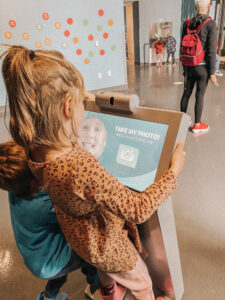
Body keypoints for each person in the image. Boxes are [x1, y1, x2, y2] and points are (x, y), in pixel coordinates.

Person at [1, 45, 186, 300]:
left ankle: (108, 292)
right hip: (111, 246)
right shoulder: (79, 165)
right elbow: (138, 208)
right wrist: (172, 173)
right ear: (68, 107)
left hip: (85, 241)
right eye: (79, 102)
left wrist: (78, 96)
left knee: (105, 273)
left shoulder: (34, 151)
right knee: (142, 282)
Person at [0, 140, 100, 300]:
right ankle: (95, 281)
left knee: (58, 275)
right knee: (88, 254)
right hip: (52, 261)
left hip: (38, 257)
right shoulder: (41, 206)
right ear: (34, 182)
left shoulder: (16, 189)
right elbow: (79, 210)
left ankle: (49, 296)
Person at [180, 0, 217, 134]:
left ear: (195, 7)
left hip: (189, 65)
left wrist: (184, 67)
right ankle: (197, 125)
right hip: (202, 68)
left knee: (186, 93)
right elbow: (212, 50)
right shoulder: (210, 24)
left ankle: (182, 122)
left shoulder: (187, 23)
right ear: (208, 6)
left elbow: (183, 46)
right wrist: (212, 73)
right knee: (199, 95)